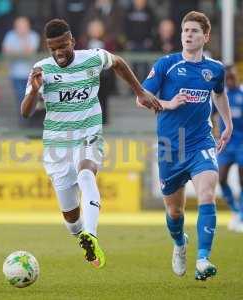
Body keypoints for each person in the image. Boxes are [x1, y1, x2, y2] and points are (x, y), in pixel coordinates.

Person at [21, 18, 161, 269]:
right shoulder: (42, 70)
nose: (59, 52)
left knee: (87, 174)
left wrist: (140, 92)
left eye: (63, 46)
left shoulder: (93, 58)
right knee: (71, 218)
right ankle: (83, 238)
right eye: (53, 48)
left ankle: (92, 234)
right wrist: (33, 91)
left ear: (72, 41)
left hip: (88, 134)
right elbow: (25, 113)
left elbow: (118, 62)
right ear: (47, 47)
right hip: (57, 145)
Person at [140, 11, 232, 280]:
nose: (188, 35)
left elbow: (219, 94)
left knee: (206, 194)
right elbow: (141, 97)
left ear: (206, 36)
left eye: (194, 31)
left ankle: (203, 258)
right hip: (171, 145)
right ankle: (180, 244)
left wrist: (227, 124)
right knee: (175, 211)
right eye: (185, 30)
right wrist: (168, 104)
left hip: (201, 141)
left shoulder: (214, 69)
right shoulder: (166, 64)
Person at [214, 66, 243, 232]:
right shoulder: (220, 95)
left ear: (237, 76)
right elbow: (209, 113)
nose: (230, 80)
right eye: (228, 78)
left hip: (241, 143)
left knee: (242, 180)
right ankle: (235, 210)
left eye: (233, 76)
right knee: (222, 178)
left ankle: (241, 215)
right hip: (225, 144)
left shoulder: (242, 95)